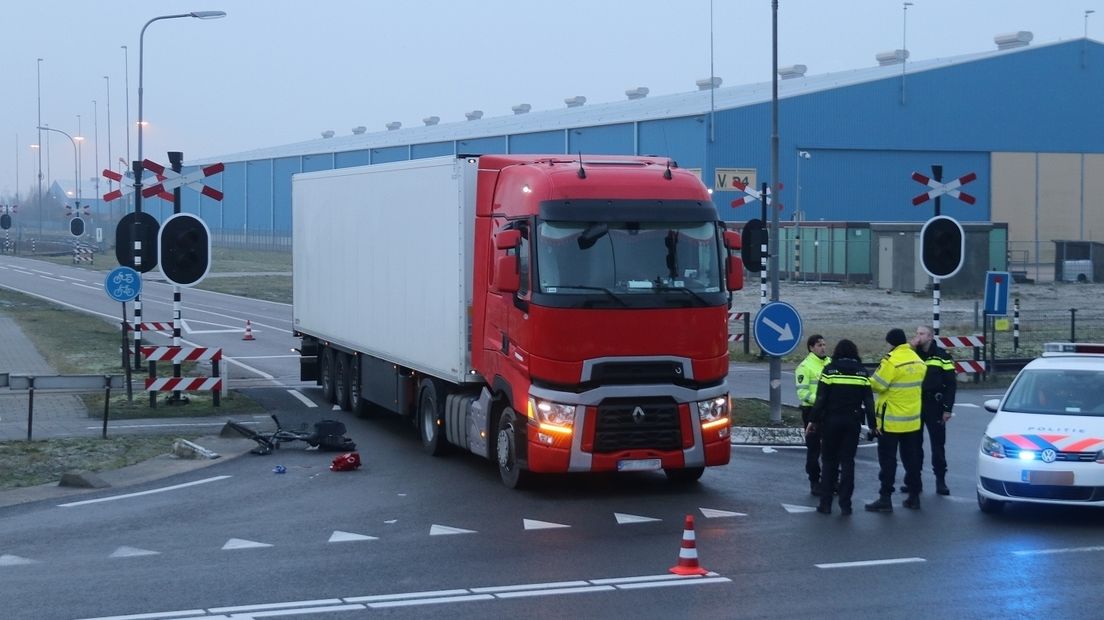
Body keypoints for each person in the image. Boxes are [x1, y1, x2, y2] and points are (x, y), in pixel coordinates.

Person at [807, 339, 875, 515]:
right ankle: (846, 504)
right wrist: (873, 426)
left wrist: (812, 421)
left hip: (831, 422)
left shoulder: (830, 370)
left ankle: (826, 504)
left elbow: (820, 399)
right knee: (848, 462)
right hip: (852, 422)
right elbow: (869, 402)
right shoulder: (862, 373)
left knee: (829, 462)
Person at [865, 328, 926, 513]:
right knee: (912, 460)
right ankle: (914, 497)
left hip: (891, 422)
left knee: (888, 461)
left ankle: (885, 498)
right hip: (913, 421)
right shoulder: (919, 361)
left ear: (891, 343)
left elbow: (876, 385)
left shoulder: (891, 361)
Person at [911, 325, 956, 496]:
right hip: (915, 404)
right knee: (914, 445)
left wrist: (947, 409)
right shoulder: (913, 354)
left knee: (938, 445)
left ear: (930, 337)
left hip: (934, 405)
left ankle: (941, 481)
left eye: (921, 334)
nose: (918, 337)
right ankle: (914, 481)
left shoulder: (942, 356)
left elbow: (951, 385)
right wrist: (910, 347)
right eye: (917, 333)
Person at [795, 334, 830, 495]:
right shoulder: (805, 367)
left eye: (824, 344)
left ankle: (831, 480)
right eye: (819, 345)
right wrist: (821, 401)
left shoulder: (830, 364)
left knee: (831, 448)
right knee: (814, 449)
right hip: (812, 412)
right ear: (811, 347)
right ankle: (814, 481)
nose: (823, 347)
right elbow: (803, 394)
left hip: (829, 412)